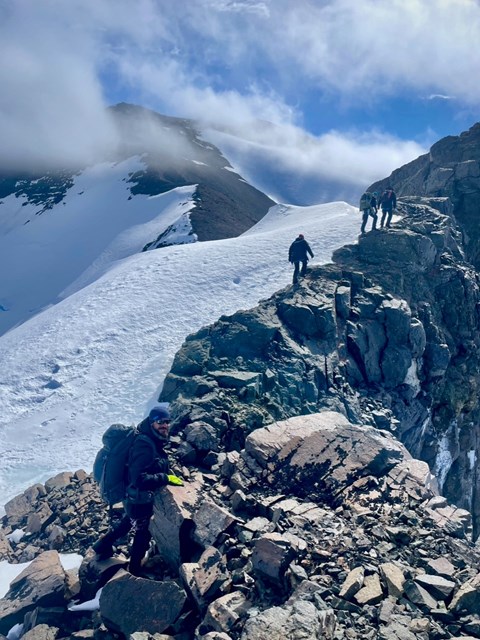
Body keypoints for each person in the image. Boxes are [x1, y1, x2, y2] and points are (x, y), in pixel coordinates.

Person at [93, 406, 183, 575]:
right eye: (160, 422)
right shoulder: (145, 444)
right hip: (138, 498)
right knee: (143, 533)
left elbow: (152, 465)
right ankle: (134, 570)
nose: (164, 426)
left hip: (133, 497)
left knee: (127, 522)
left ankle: (101, 545)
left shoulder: (150, 438)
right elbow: (139, 479)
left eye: (166, 422)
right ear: (152, 422)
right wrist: (165, 478)